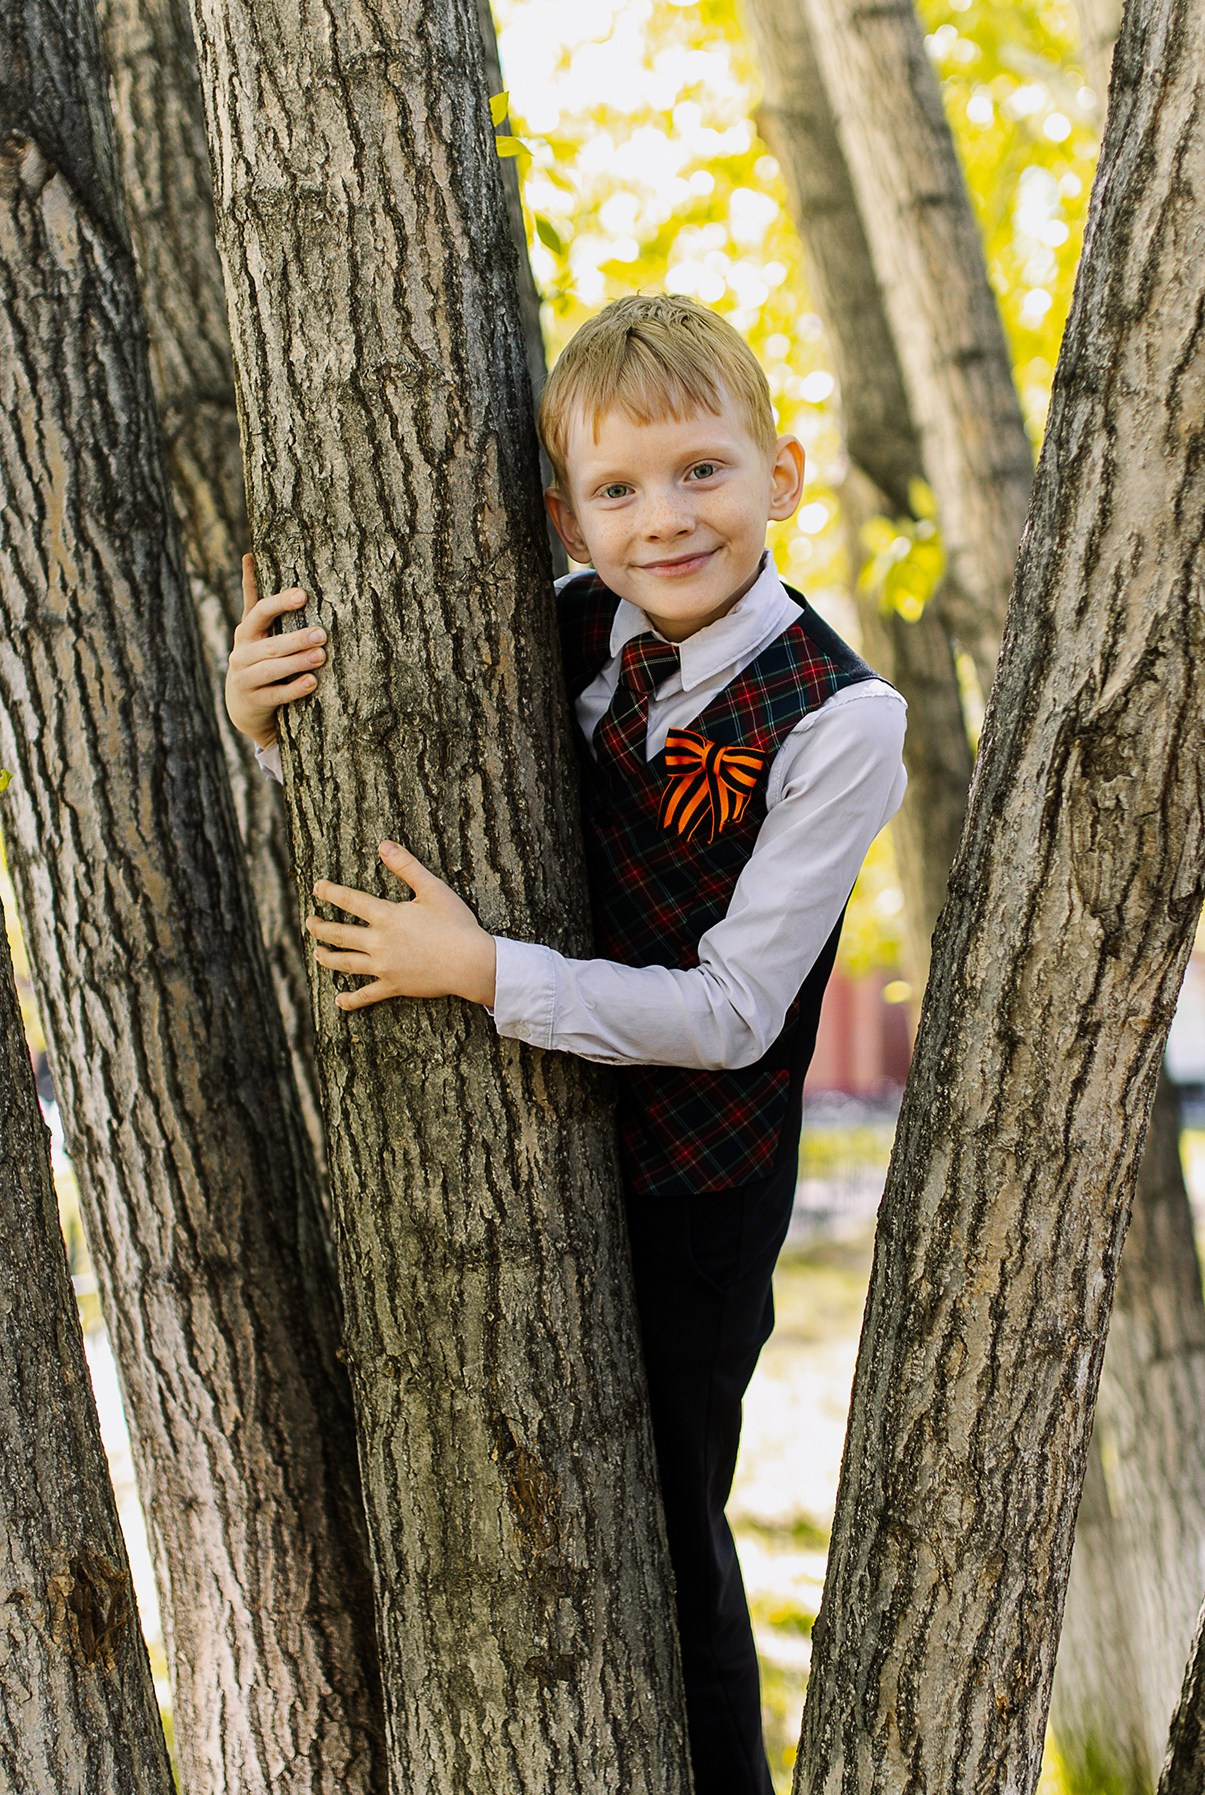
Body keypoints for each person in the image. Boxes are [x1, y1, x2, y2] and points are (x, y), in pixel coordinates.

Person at [226, 292, 906, 1795]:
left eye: (701, 472)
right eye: (616, 490)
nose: (663, 519)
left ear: (781, 474)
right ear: (563, 516)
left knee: (664, 1515)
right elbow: (403, 794)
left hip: (696, 1175)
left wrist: (478, 973)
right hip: (520, 1114)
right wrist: (270, 730)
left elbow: (736, 1014)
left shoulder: (839, 722)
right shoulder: (561, 631)